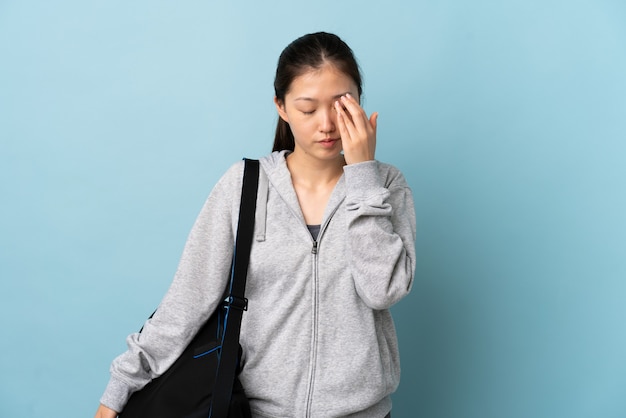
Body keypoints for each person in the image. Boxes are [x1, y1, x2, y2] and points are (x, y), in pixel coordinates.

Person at [95, 31, 416, 418]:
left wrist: (363, 174)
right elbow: (187, 301)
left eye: (341, 104)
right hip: (256, 412)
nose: (327, 124)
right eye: (308, 109)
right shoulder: (245, 185)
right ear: (281, 107)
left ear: (360, 103)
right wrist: (122, 386)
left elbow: (382, 290)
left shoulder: (385, 186)